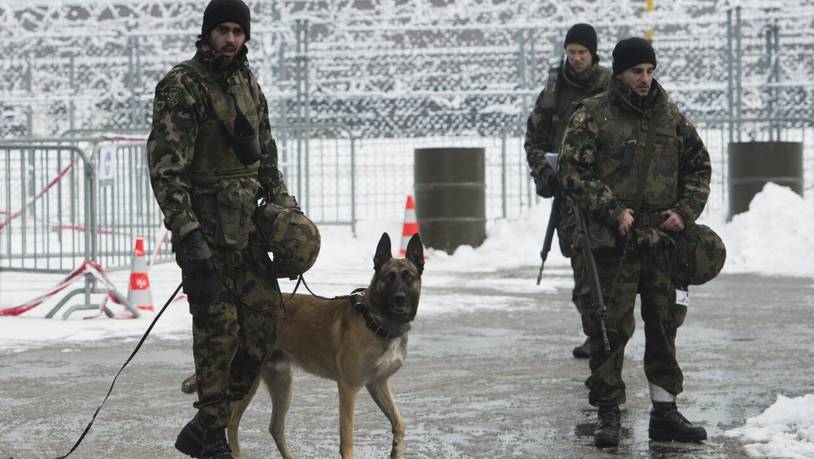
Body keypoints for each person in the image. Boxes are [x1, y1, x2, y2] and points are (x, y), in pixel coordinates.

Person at [147, 1, 294, 457]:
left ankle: (208, 424)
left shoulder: (247, 83)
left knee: (265, 323)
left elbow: (265, 154)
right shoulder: (182, 85)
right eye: (222, 30)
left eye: (238, 31)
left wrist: (286, 210)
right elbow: (166, 168)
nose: (231, 39)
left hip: (246, 229)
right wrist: (187, 234)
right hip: (205, 233)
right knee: (219, 330)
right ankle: (212, 436)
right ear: (207, 33)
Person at [558, 37, 712, 448]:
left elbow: (699, 165)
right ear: (620, 73)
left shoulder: (671, 116)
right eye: (636, 72)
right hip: (614, 242)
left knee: (664, 325)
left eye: (649, 71)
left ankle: (665, 412)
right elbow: (572, 170)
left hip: (662, 241)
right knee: (609, 329)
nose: (645, 79)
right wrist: (611, 209)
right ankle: (608, 414)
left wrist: (684, 210)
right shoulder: (592, 114)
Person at [524, 23, 611, 359]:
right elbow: (535, 137)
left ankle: (611, 330)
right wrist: (543, 170)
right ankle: (595, 332)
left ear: (593, 54)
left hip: (603, 193)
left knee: (607, 264)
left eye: (582, 53)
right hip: (568, 194)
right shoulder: (553, 88)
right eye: (571, 52)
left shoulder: (609, 86)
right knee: (580, 263)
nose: (575, 58)